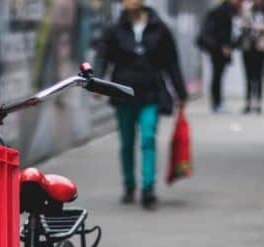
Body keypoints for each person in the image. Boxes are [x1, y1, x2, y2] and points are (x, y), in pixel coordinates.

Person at [94, 0, 188, 210]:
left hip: (150, 92)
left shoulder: (159, 28)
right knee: (127, 142)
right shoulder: (114, 30)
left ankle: (148, 188)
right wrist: (97, 83)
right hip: (122, 93)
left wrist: (180, 92)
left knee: (147, 138)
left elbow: (171, 62)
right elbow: (102, 57)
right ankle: (129, 185)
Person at [197, 0, 243, 113]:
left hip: (220, 48)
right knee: (217, 77)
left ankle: (218, 102)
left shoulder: (230, 11)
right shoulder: (222, 12)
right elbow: (218, 31)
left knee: (218, 76)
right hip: (218, 49)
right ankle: (217, 103)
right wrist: (224, 46)